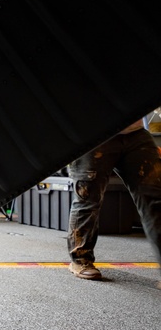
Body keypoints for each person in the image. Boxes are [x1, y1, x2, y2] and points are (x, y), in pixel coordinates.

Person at [67, 118, 161, 280]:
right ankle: (80, 259)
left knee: (155, 199)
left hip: (135, 133)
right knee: (88, 199)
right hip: (94, 135)